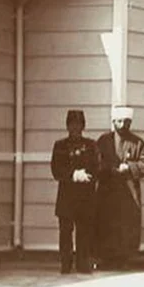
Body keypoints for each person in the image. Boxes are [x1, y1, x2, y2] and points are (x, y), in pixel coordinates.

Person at [95, 105, 144, 269]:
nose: (122, 125)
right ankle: (105, 259)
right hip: (107, 189)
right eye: (119, 121)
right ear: (113, 122)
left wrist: (130, 167)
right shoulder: (104, 141)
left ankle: (124, 259)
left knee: (126, 223)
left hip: (129, 190)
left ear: (130, 123)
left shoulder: (138, 142)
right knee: (106, 222)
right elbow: (95, 161)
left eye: (126, 122)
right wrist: (108, 168)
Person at [51, 109, 100, 275]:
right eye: (72, 124)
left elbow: (97, 167)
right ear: (67, 126)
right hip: (67, 196)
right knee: (65, 231)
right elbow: (56, 170)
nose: (75, 128)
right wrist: (73, 175)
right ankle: (65, 262)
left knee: (84, 231)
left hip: (85, 196)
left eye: (79, 124)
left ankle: (82, 262)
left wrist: (86, 175)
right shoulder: (60, 146)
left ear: (83, 126)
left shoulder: (91, 145)